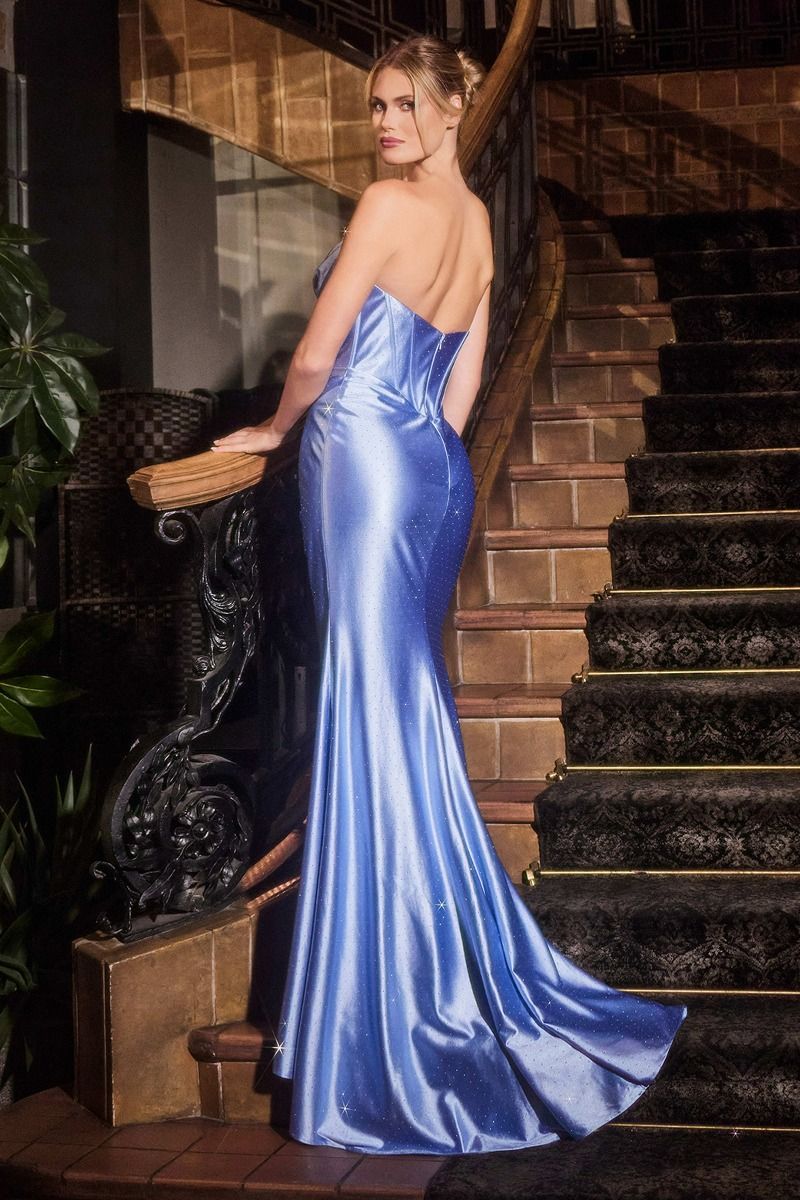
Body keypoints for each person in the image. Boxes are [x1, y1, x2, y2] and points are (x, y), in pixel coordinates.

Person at [210, 34, 687, 1156]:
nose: (379, 124)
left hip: (364, 462)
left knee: (372, 714)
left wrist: (280, 429)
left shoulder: (385, 208)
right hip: (427, 469)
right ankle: (423, 967)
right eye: (372, 106)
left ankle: (385, 1017)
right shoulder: (477, 225)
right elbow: (465, 383)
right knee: (399, 711)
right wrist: (426, 463)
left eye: (397, 106)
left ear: (441, 110)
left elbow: (322, 356)